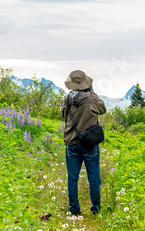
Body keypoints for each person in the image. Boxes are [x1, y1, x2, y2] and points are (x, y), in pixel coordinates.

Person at [60, 70, 106, 216]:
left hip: (71, 142)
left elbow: (63, 115)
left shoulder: (66, 99)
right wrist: (92, 93)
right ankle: (95, 209)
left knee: (72, 178)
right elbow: (103, 109)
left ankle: (74, 209)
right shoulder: (93, 99)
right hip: (90, 142)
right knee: (93, 177)